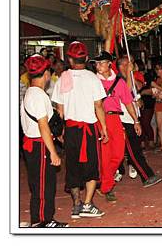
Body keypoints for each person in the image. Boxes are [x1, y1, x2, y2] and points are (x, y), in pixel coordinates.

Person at [51, 41, 107, 219]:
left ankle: (76, 205)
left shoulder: (62, 78)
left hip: (71, 130)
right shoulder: (93, 78)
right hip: (88, 129)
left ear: (69, 59)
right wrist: (103, 127)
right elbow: (98, 106)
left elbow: (59, 111)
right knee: (92, 167)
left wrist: (60, 132)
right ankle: (88, 204)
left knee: (72, 168)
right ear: (87, 58)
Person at [21, 55, 68, 227]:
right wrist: (53, 152)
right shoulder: (37, 95)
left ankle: (42, 219)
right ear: (46, 74)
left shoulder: (32, 92)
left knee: (42, 183)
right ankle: (42, 221)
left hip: (34, 143)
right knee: (43, 185)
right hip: (39, 144)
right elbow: (43, 126)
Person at [92, 51, 138, 202]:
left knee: (118, 155)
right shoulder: (93, 81)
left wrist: (136, 120)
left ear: (109, 64)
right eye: (96, 63)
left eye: (101, 62)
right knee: (105, 156)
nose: (98, 66)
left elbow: (128, 102)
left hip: (115, 119)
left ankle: (103, 181)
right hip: (100, 119)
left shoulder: (119, 82)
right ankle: (107, 187)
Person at [116, 55, 162, 187]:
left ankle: (145, 175)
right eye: (128, 63)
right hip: (123, 119)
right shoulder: (118, 79)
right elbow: (125, 91)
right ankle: (147, 176)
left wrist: (139, 100)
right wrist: (129, 73)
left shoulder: (129, 77)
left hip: (132, 118)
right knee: (133, 152)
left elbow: (135, 91)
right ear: (122, 66)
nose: (131, 65)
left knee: (134, 151)